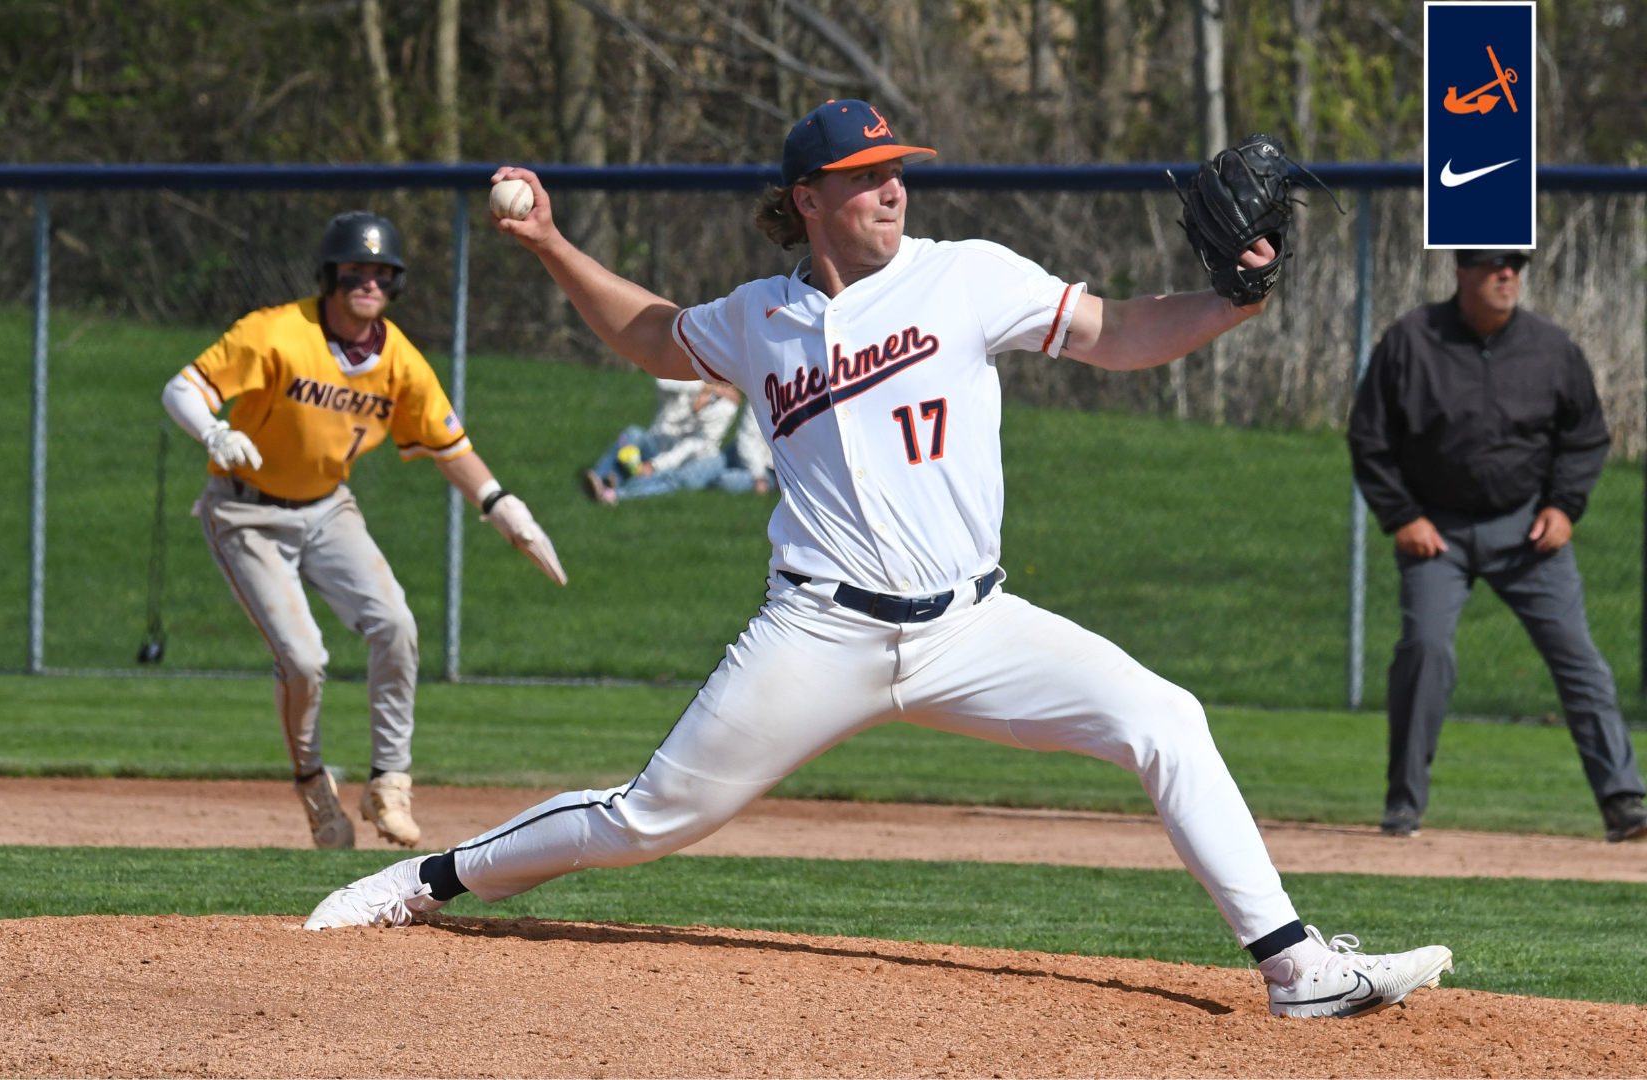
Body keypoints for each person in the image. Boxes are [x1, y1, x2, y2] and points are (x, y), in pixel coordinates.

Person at [305, 101, 1453, 1019]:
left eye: (896, 167)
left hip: (973, 627)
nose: (891, 185)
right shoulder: (761, 317)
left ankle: (1294, 965)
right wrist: (552, 241)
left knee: (1166, 718)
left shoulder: (966, 275)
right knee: (650, 817)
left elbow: (1118, 333)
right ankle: (422, 881)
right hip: (820, 631)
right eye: (864, 174)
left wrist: (1234, 299)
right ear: (810, 199)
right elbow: (649, 333)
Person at [160, 211, 568, 851]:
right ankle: (314, 788)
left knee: (397, 625)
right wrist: (213, 431)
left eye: (382, 273)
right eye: (356, 270)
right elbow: (181, 388)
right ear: (330, 276)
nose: (368, 282)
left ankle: (389, 784)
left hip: (326, 507)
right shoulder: (274, 333)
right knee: (303, 659)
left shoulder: (399, 358)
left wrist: (501, 505)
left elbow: (447, 444)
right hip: (246, 511)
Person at [1348, 248, 1647, 843]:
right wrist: (1402, 515)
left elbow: (1585, 437)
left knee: (1579, 659)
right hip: (1438, 533)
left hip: (1526, 532)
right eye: (1493, 265)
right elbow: (1369, 436)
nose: (1507, 274)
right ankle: (1403, 806)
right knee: (1426, 649)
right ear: (1461, 272)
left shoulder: (1550, 347)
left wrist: (1564, 506)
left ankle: (1624, 803)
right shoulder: (1412, 340)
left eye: (1515, 265)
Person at [583, 377, 739, 504]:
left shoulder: (726, 407)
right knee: (632, 434)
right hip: (656, 440)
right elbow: (662, 381)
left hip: (681, 459)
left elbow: (692, 447)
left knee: (668, 478)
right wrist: (703, 387)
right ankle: (599, 479)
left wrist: (655, 464)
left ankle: (615, 495)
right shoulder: (688, 380)